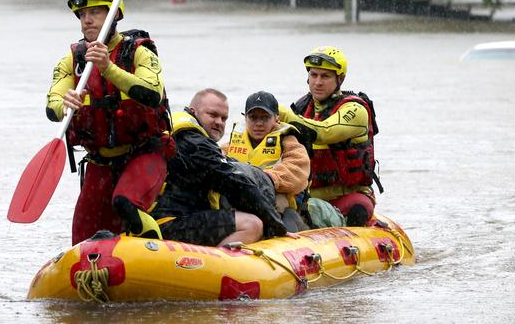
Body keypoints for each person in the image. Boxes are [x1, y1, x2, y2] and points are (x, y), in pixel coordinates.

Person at [45, 0, 173, 245]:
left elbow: (151, 93)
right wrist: (65, 104)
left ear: (114, 14)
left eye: (95, 13)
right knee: (83, 236)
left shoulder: (139, 51)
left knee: (126, 203)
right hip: (99, 163)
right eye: (82, 15)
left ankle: (156, 258)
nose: (86, 20)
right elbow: (52, 105)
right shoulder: (73, 59)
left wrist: (108, 68)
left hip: (143, 154)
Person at [149, 88, 289, 246]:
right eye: (213, 115)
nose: (219, 122)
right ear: (193, 111)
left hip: (163, 218)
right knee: (252, 225)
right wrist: (276, 224)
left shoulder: (180, 136)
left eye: (224, 118)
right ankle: (212, 266)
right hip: (170, 223)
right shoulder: (193, 142)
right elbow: (234, 183)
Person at [278, 46, 382, 226]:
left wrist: (281, 114)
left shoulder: (355, 110)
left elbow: (325, 132)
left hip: (348, 196)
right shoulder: (301, 108)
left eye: (325, 76)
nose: (318, 82)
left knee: (359, 209)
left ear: (340, 79)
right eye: (314, 75)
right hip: (308, 196)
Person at [226, 91, 310, 232]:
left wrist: (266, 179)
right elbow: (216, 160)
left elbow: (298, 170)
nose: (258, 123)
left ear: (276, 118)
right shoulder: (233, 141)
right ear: (245, 118)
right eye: (253, 117)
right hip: (242, 197)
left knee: (278, 205)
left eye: (265, 118)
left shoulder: (288, 140)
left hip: (278, 200)